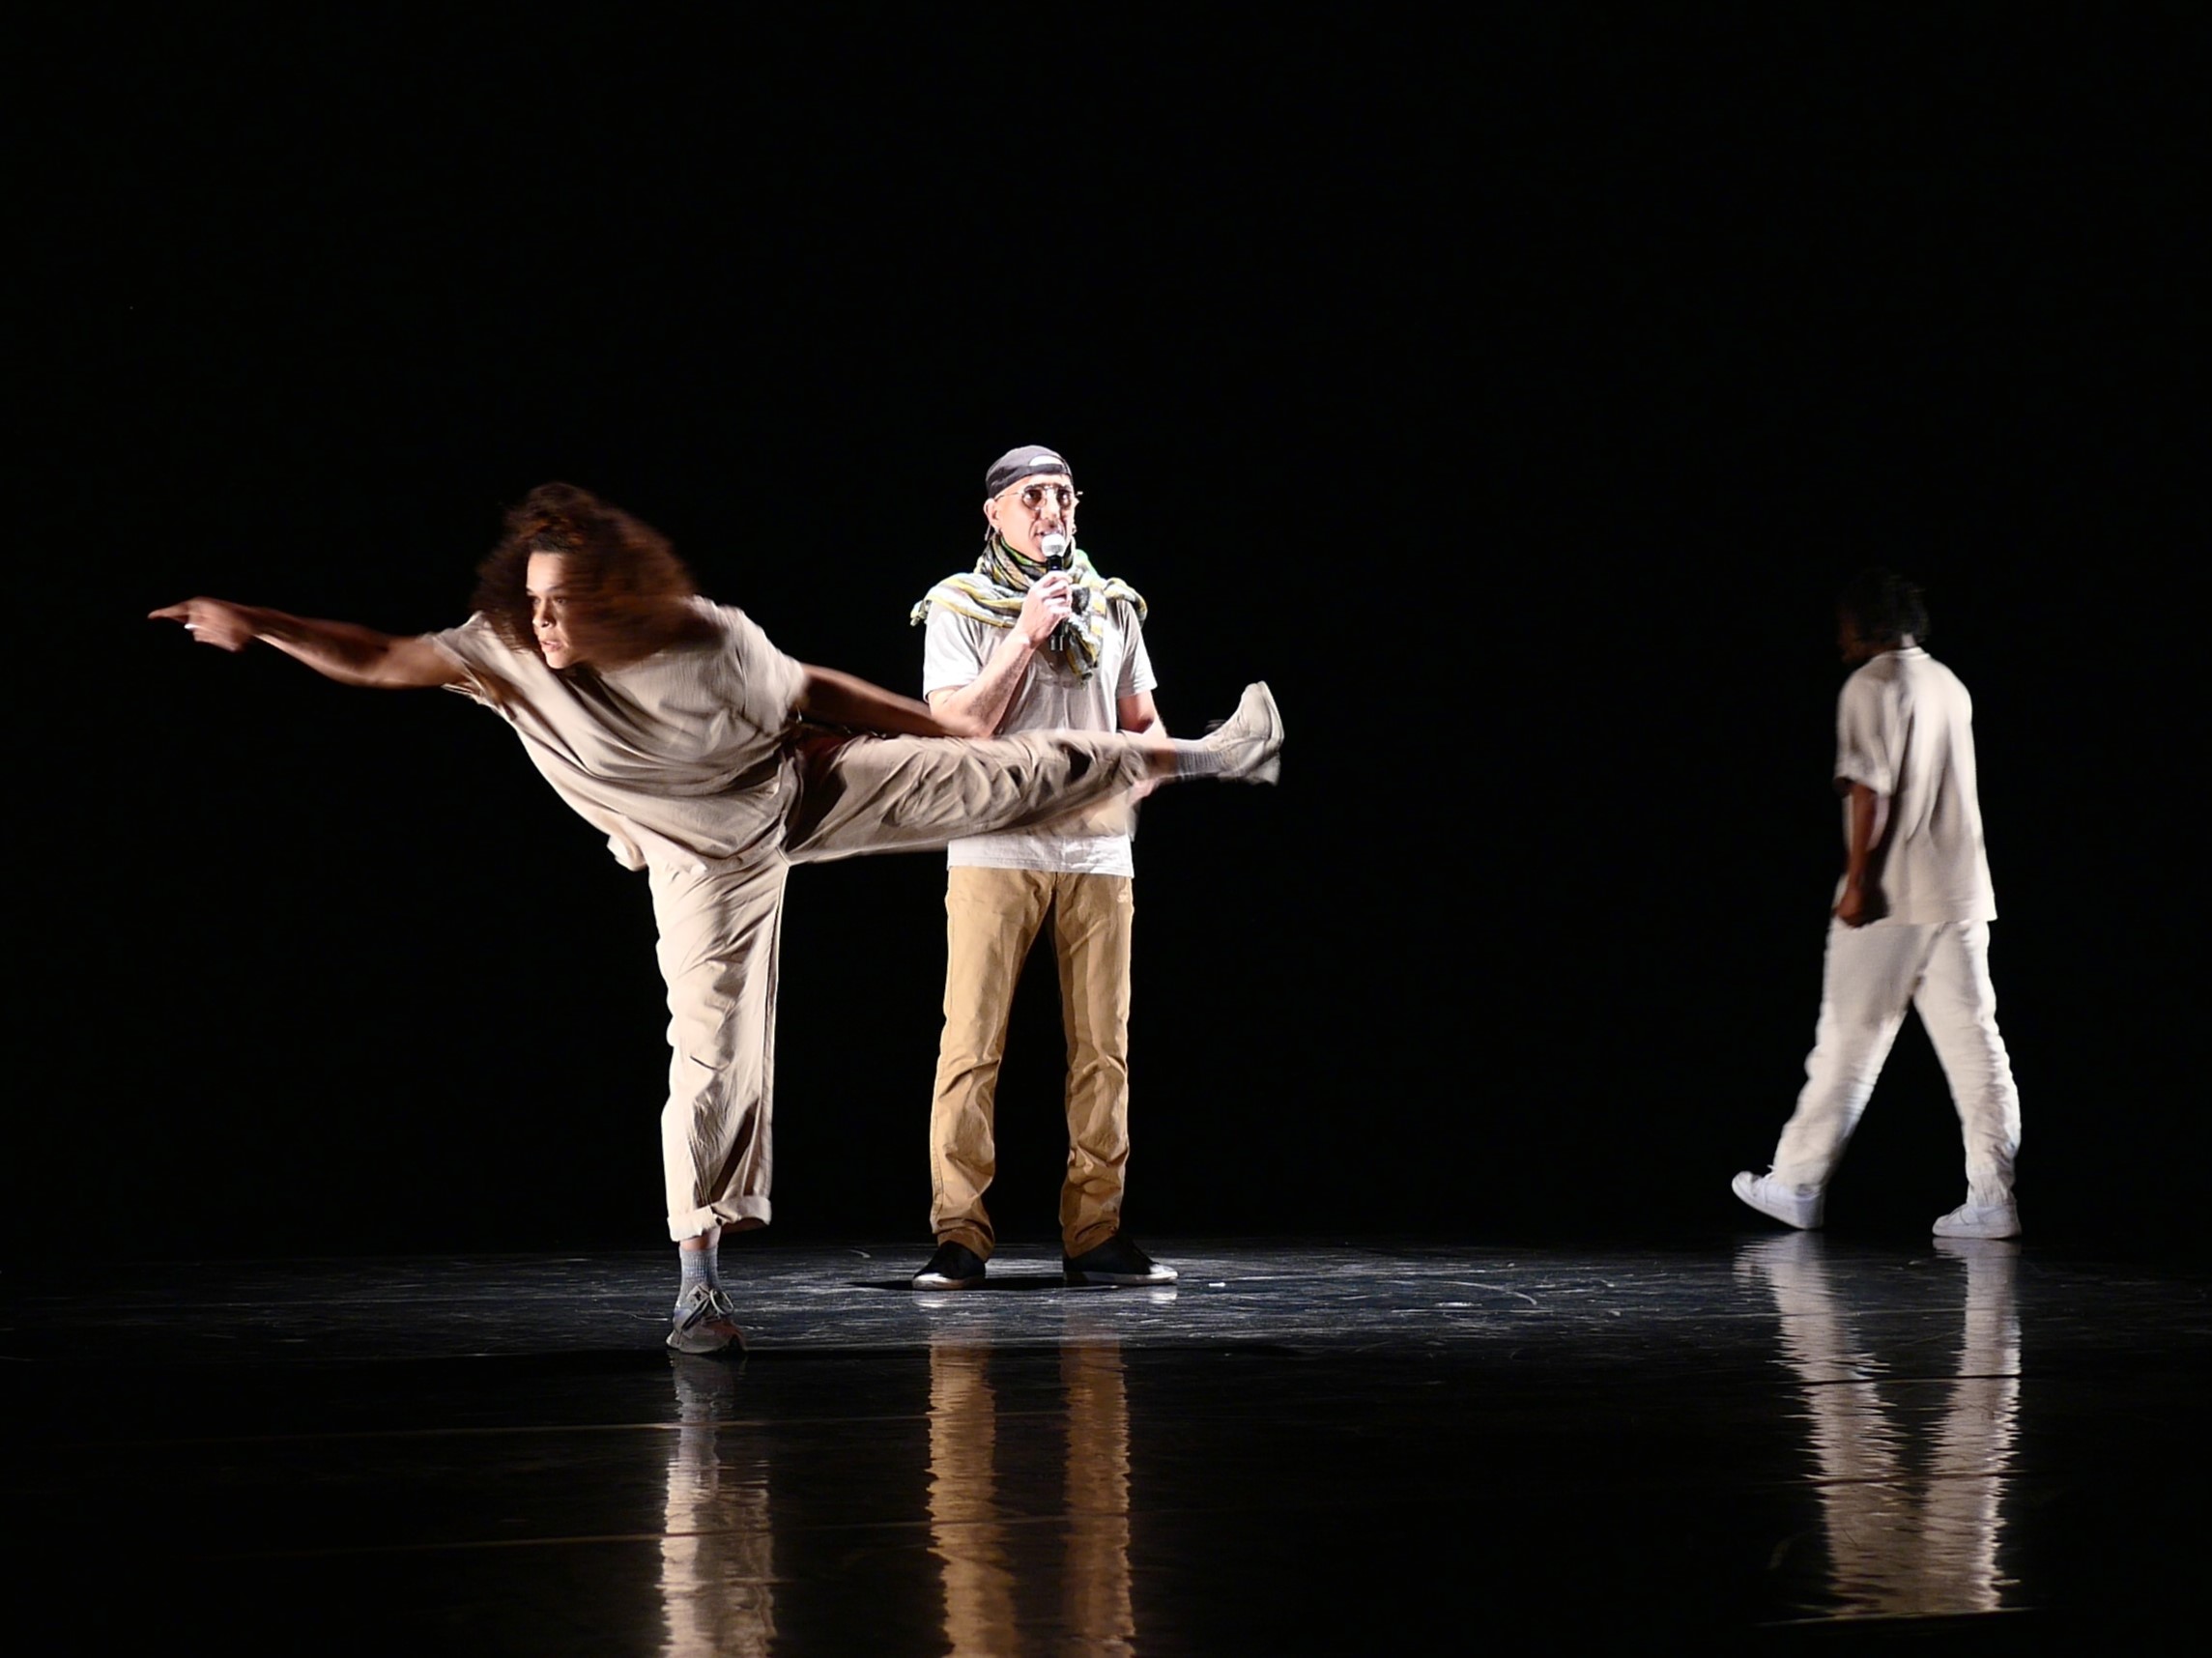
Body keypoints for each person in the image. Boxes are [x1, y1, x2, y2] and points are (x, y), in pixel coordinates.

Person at [151, 481, 1284, 1353]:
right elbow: (384, 657)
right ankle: (700, 1289)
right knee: (713, 1051)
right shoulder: (498, 647)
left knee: (1004, 776)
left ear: (621, 600)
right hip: (703, 863)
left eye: (568, 605)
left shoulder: (706, 640)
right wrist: (260, 620)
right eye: (534, 602)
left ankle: (1204, 754)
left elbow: (823, 694)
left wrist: (940, 738)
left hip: (797, 787)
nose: (546, 624)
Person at [905, 445, 1182, 1292]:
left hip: (1097, 852)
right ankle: (960, 1235)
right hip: (996, 845)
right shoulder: (959, 606)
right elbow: (960, 728)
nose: (1051, 509)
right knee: (972, 1047)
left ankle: (1095, 1230)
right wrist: (1025, 632)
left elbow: (1144, 726)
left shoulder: (1113, 607)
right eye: (1032, 497)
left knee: (1104, 1048)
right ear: (993, 512)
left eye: (1063, 495)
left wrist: (1152, 762)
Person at [1732, 568, 2023, 1240]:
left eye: (1842, 621)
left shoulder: (1870, 684)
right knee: (1976, 1047)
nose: (1836, 634)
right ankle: (1992, 1197)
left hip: (1894, 892)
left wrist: (1859, 879)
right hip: (1960, 892)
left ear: (1866, 624)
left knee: (1846, 1040)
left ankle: (1796, 1183)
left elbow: (1871, 790)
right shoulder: (1947, 682)